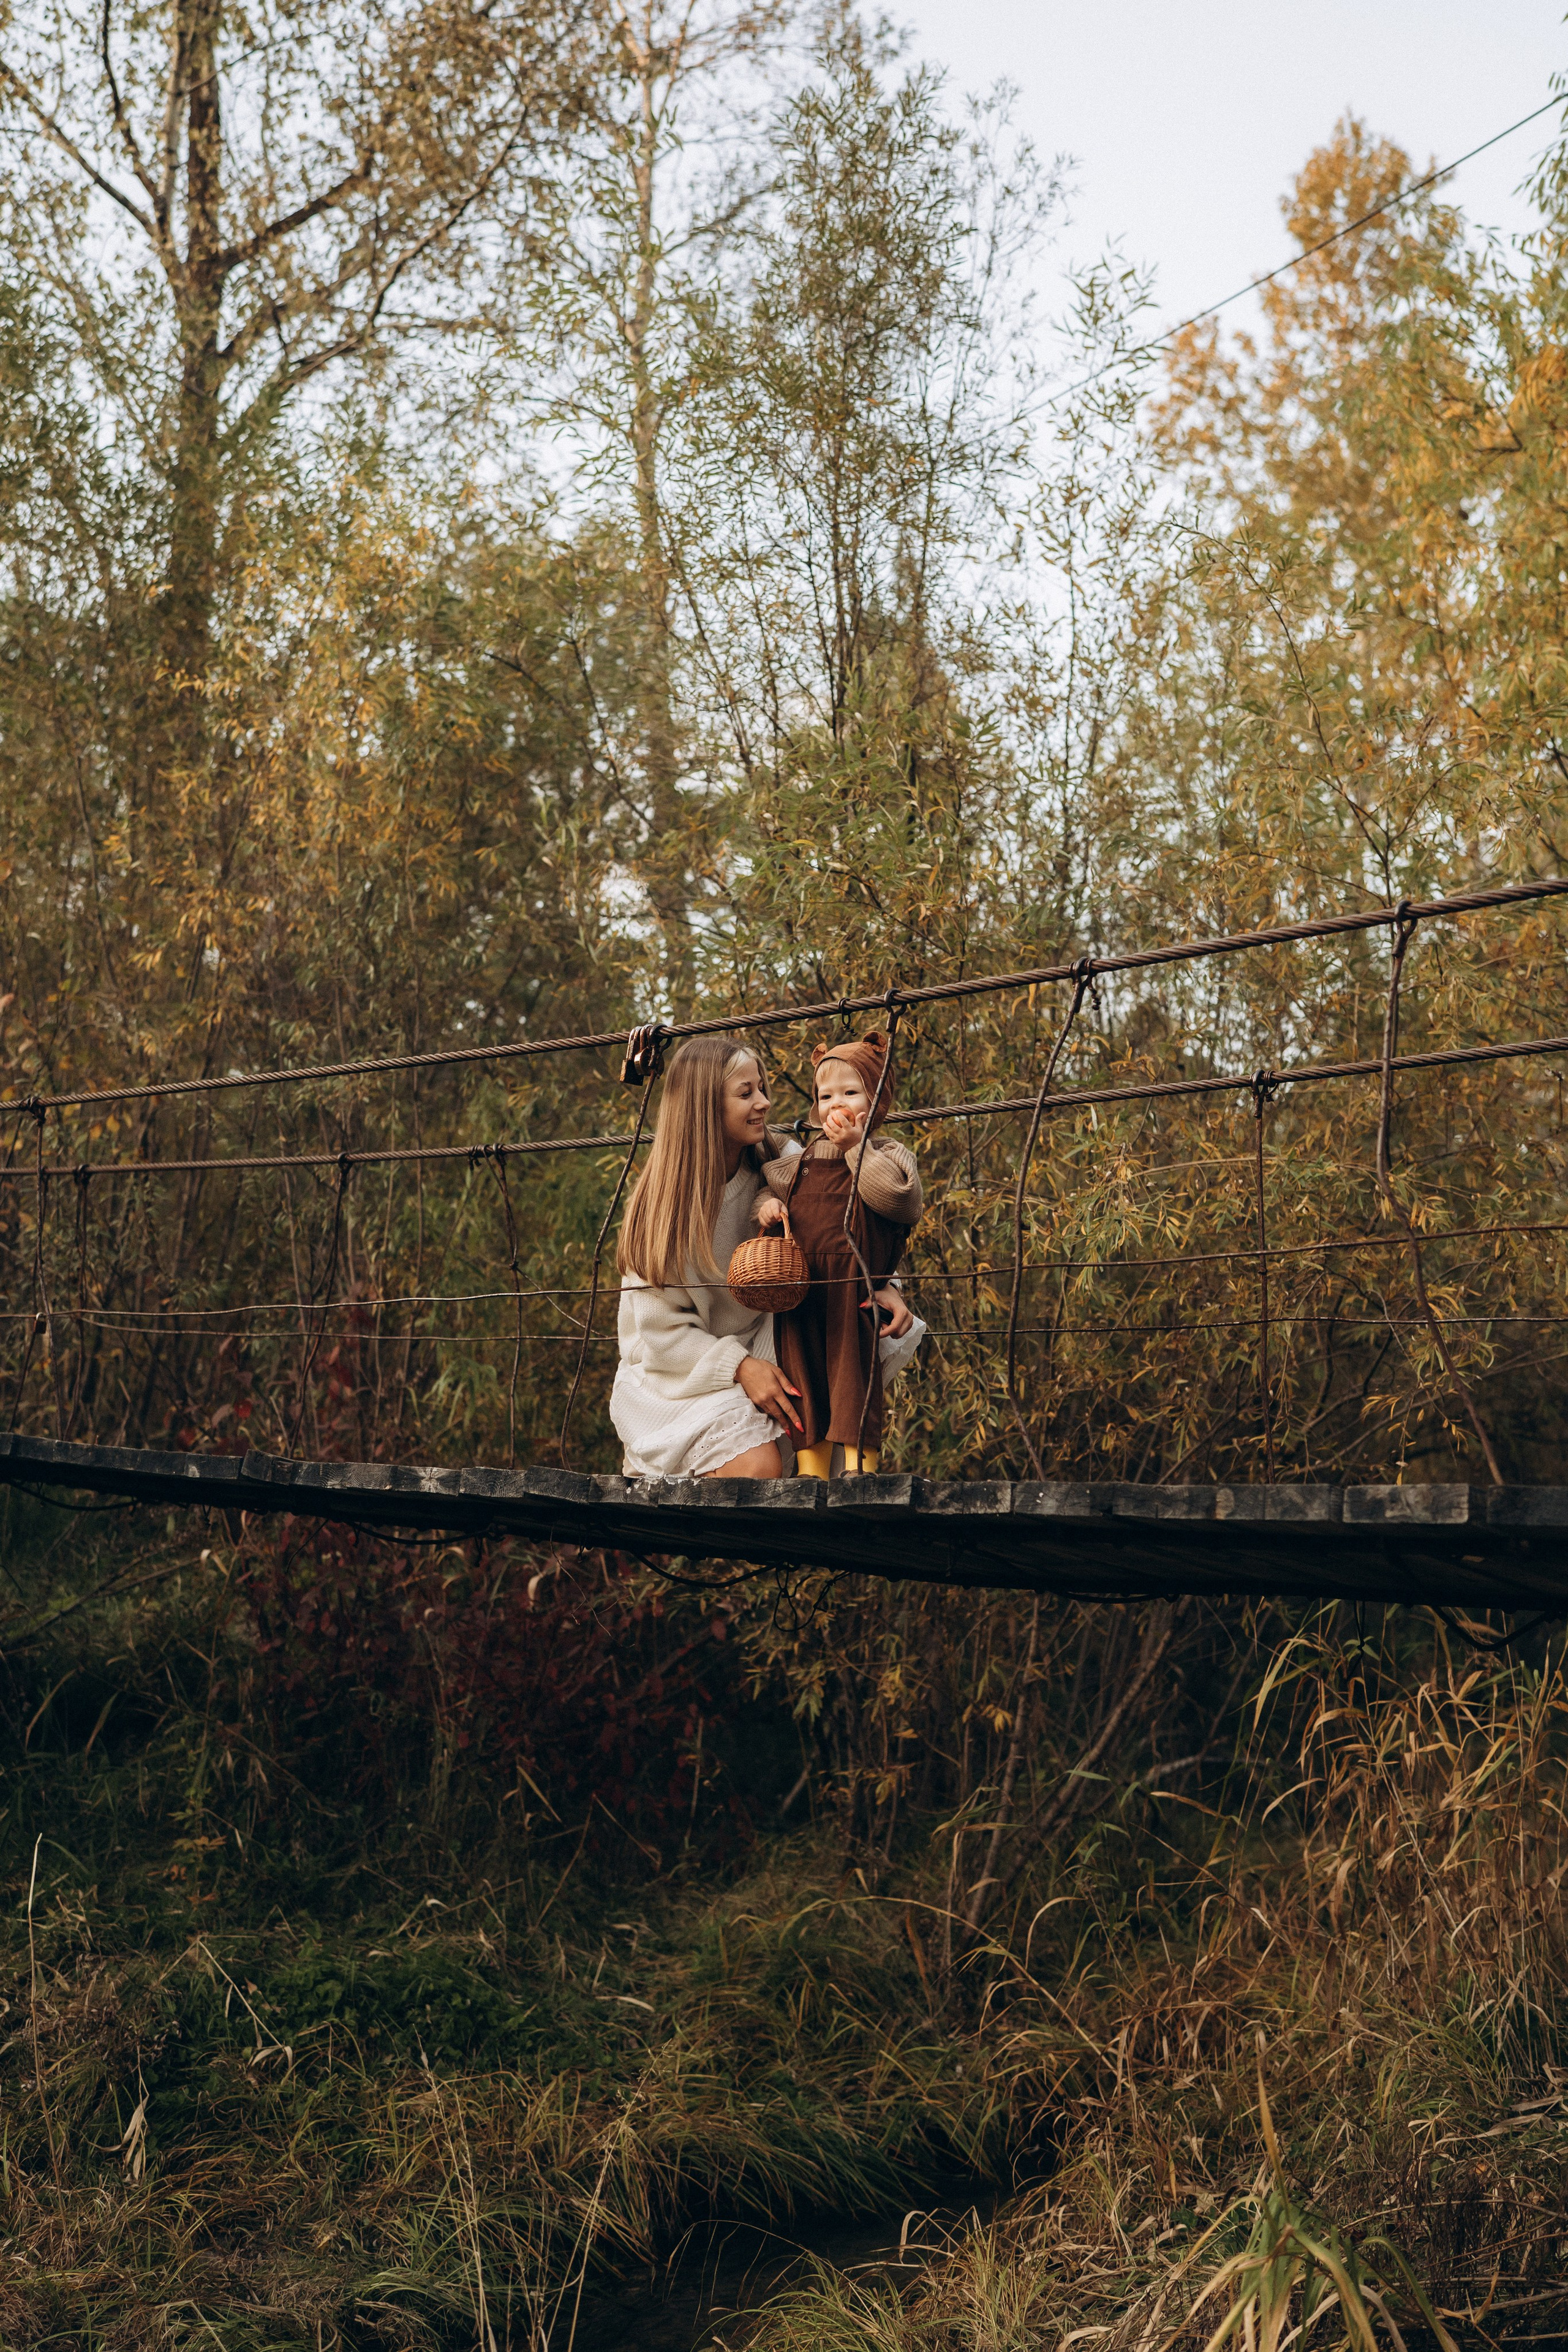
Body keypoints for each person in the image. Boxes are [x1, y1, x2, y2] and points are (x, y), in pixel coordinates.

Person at [610, 1035, 804, 1479]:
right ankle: (663, 1463)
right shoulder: (662, 1207)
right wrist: (739, 1367)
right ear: (705, 1108)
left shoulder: (779, 1160)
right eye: (745, 1093)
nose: (764, 1103)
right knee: (759, 1468)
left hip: (764, 1352)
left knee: (812, 1433)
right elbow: (662, 1335)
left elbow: (839, 1219)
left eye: (761, 1088)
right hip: (680, 1377)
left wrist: (884, 1287)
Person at [755, 1031, 920, 1477]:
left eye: (850, 1092)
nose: (835, 1104)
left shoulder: (886, 1152)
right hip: (802, 1291)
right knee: (804, 1382)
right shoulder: (802, 1158)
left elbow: (898, 1200)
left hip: (855, 1288)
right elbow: (772, 1187)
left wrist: (855, 1147)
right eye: (825, 1095)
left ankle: (860, 1469)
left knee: (854, 1380)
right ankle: (812, 1470)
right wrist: (766, 1207)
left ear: (877, 1101)